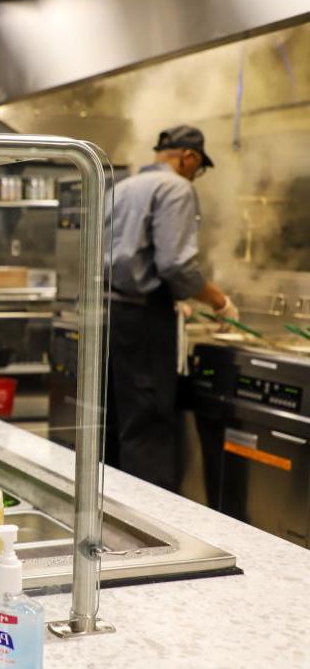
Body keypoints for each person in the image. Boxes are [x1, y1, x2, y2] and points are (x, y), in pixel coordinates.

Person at [104, 124, 238, 491]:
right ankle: (153, 536)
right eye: (199, 168)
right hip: (145, 318)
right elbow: (176, 265)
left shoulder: (123, 186)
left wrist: (175, 298)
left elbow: (126, 259)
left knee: (125, 423)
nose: (197, 175)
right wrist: (218, 301)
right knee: (150, 423)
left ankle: (118, 518)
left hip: (114, 314)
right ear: (188, 157)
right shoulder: (177, 187)